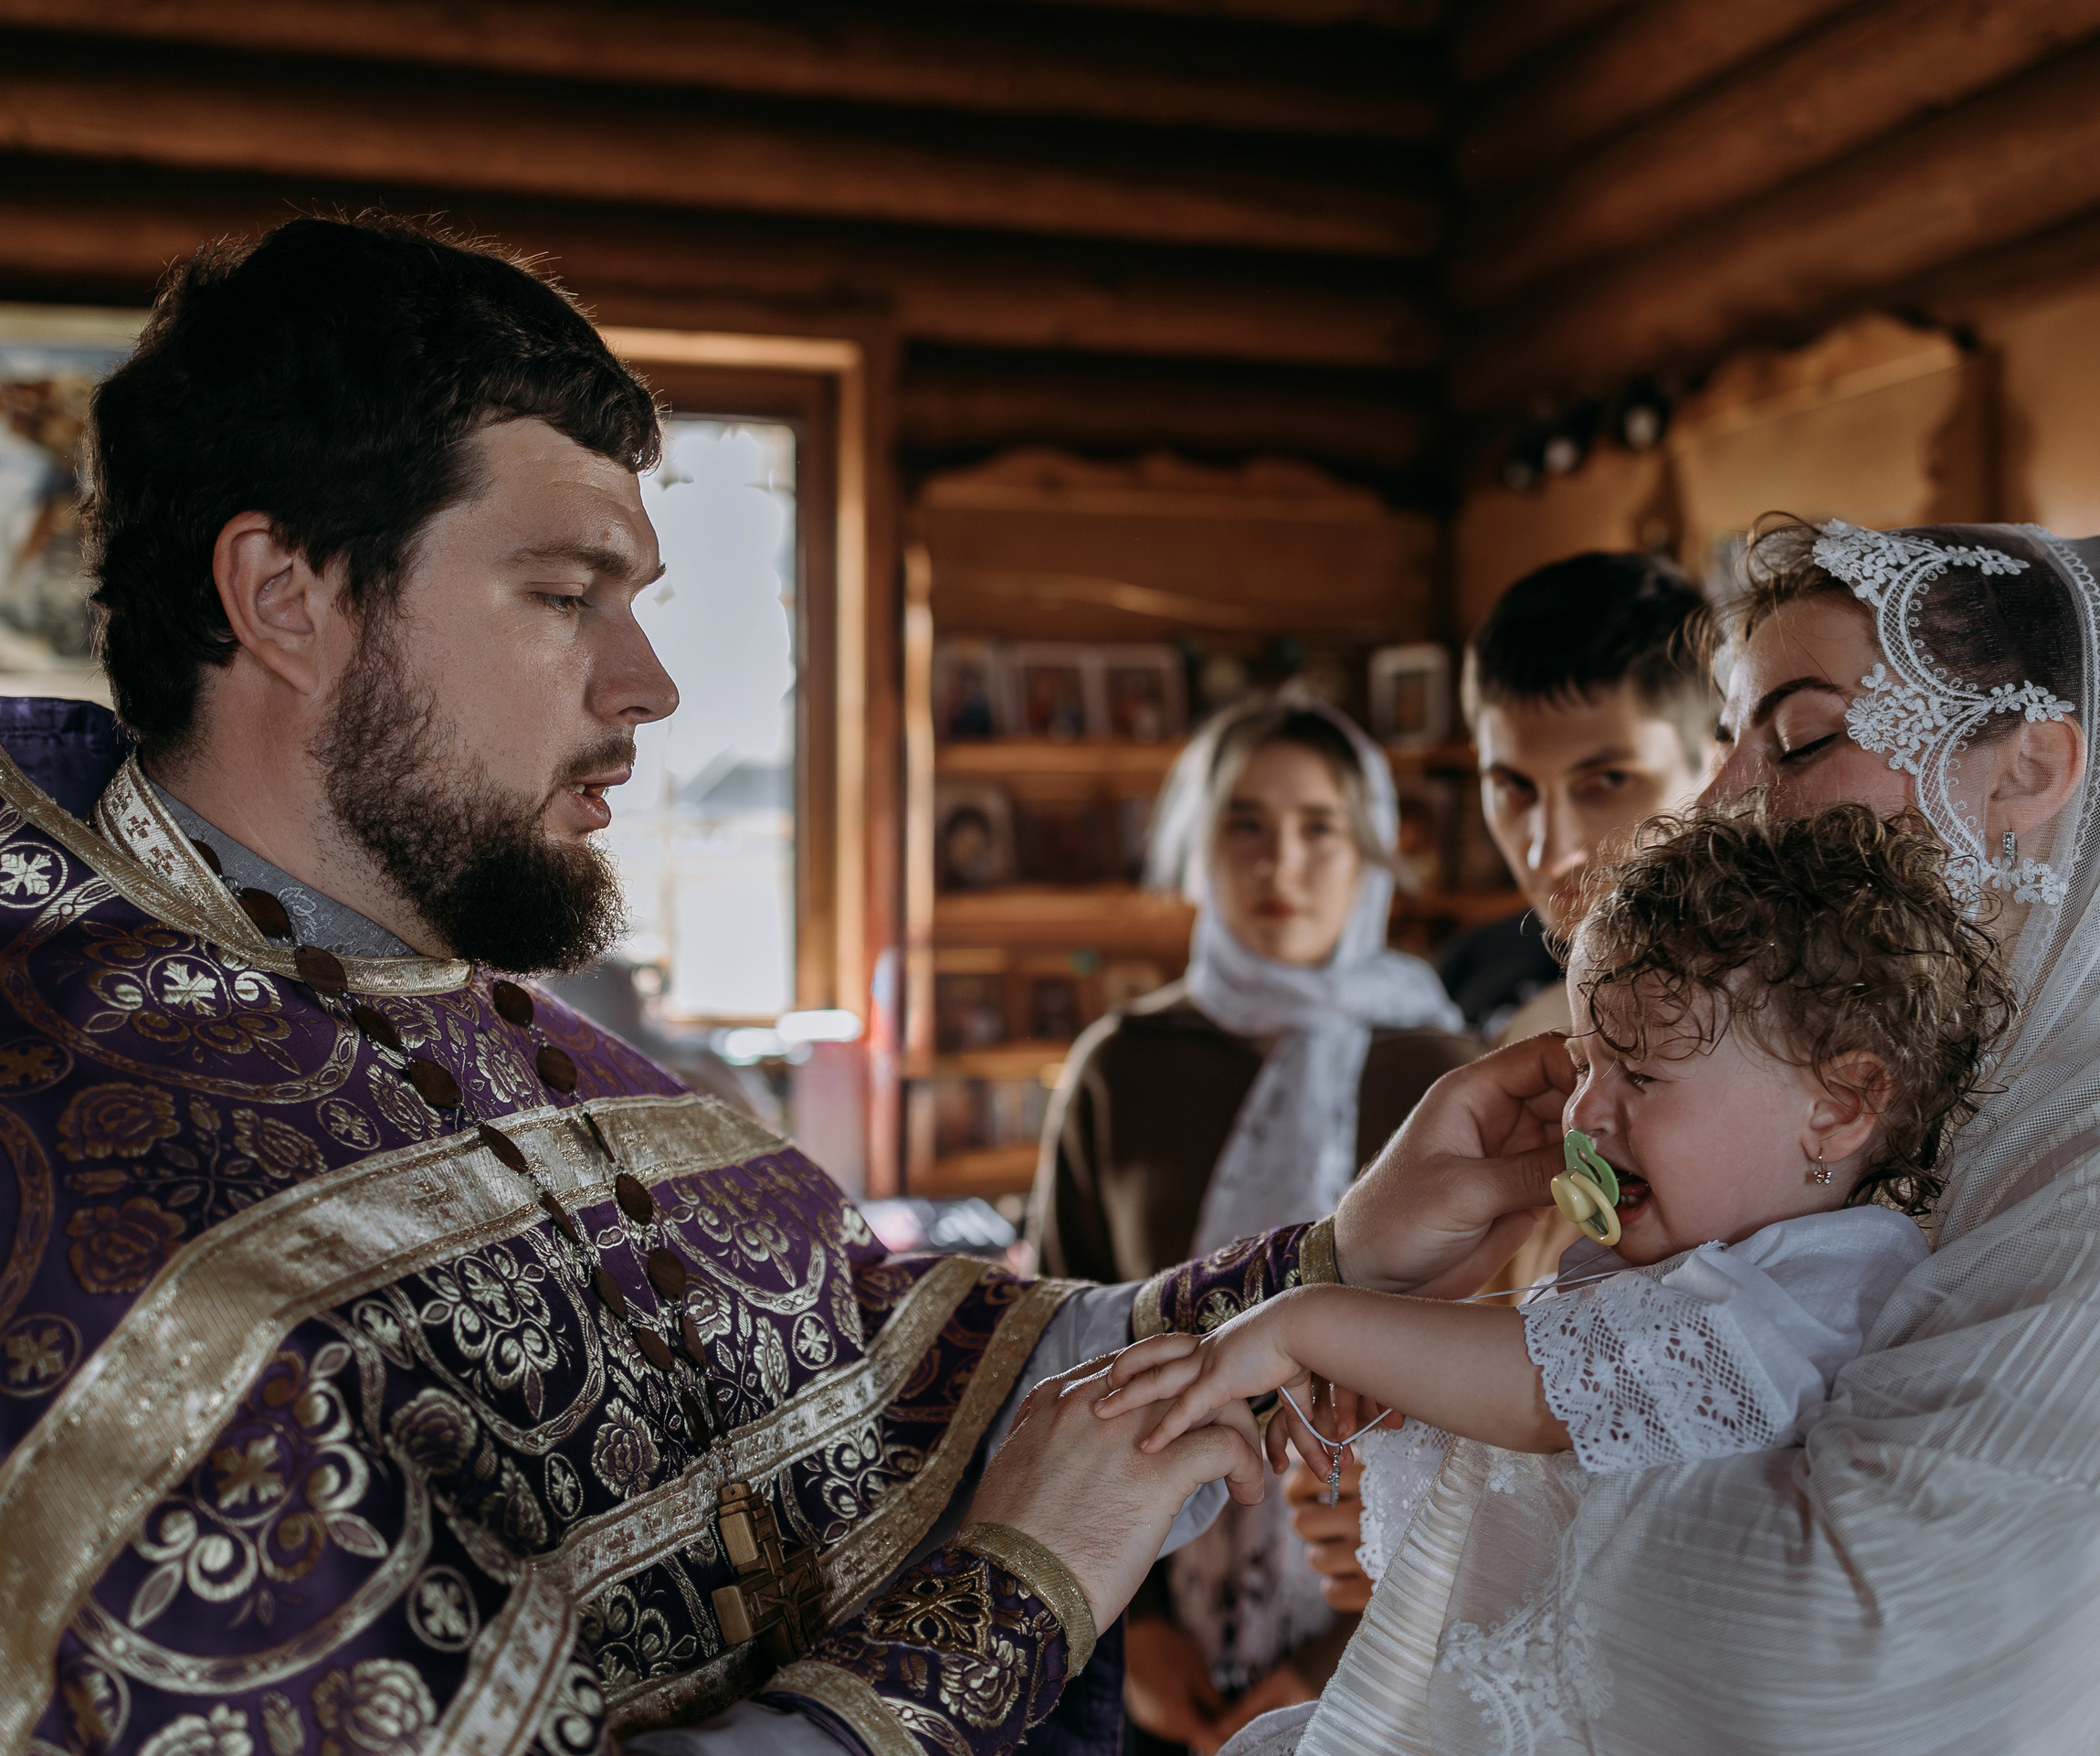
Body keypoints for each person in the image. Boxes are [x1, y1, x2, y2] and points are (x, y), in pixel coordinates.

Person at [0, 216, 1579, 1756]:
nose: (651, 684)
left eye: (640, 599)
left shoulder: (500, 1034)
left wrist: (1341, 1251)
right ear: (287, 598)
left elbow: (881, 1366)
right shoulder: (93, 1206)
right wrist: (1011, 1596)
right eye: (564, 596)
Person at [1233, 514, 2100, 1755]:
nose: (1720, 800)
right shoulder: (1842, 1085)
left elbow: (1866, 1655)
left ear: (2030, 769)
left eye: (1801, 736)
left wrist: (1474, 1446)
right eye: (1725, 739)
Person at [1102, 800, 2007, 1748]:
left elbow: (1547, 1392)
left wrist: (1307, 1320)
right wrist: (1412, 1391)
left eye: (1641, 1077)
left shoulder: (1829, 1278)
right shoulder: (1644, 1259)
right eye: (1582, 1065)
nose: (1584, 1113)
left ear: (1839, 1106)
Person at [1027, 696, 1474, 1751]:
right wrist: (1125, 1629)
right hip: (1137, 1620)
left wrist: (1327, 1661)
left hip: (1395, 1628)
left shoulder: (1443, 1071)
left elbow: (1484, 1375)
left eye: (1321, 825)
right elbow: (1058, 1359)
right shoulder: (1121, 1065)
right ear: (1196, 843)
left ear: (1367, 848)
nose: (1284, 860)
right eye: (1246, 823)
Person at [1438, 553, 1715, 1044]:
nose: (1549, 852)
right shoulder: (1466, 973)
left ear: (1716, 764)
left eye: (1608, 780)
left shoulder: (1794, 996)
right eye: (1515, 786)